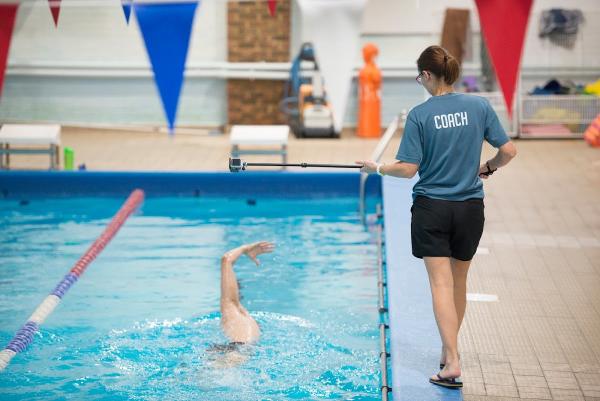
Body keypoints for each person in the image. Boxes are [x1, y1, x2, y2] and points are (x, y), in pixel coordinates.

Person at [357, 45, 517, 389]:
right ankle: (449, 353)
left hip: (433, 208)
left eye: (420, 77)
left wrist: (378, 167)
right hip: (470, 208)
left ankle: (453, 361)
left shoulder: (420, 115)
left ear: (428, 75)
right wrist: (487, 168)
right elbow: (508, 150)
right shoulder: (479, 106)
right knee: (459, 281)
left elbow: (407, 169)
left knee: (440, 284)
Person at [207, 241, 274, 367]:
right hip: (247, 351)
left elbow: (226, 259)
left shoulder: (230, 307)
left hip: (235, 351)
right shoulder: (249, 319)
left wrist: (245, 248)